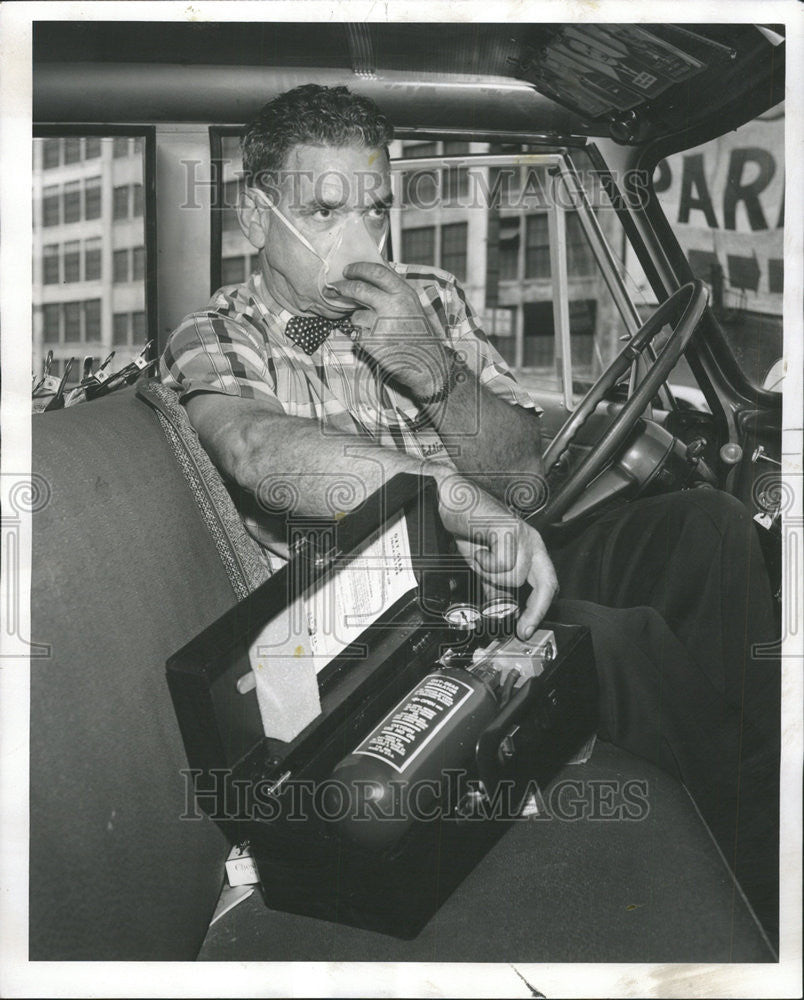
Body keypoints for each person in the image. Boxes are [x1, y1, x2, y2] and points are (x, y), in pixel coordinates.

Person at [160, 84, 780, 946]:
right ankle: (764, 872)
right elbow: (257, 451)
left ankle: (773, 780)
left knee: (706, 526)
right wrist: (447, 498)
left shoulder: (431, 299)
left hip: (505, 551)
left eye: (373, 206)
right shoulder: (224, 332)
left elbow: (524, 483)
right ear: (258, 219)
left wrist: (432, 370)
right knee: (618, 642)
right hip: (387, 627)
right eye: (323, 209)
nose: (358, 235)